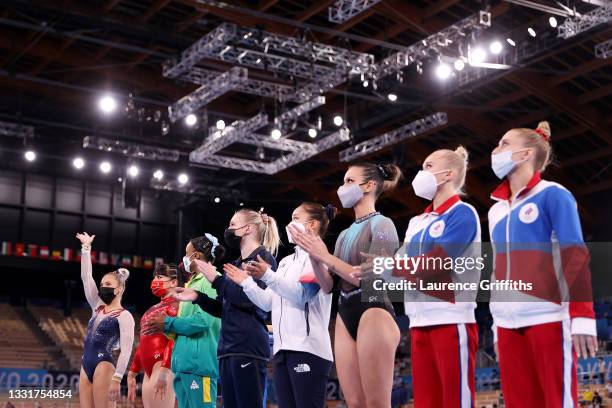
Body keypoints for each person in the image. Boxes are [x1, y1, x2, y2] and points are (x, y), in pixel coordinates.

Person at [488, 121, 597, 407]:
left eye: (504, 144)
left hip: (548, 318)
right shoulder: (496, 211)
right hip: (507, 324)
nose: (495, 150)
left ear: (525, 154)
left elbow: (575, 254)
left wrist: (582, 315)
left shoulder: (554, 195)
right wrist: (498, 323)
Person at [289, 162, 402, 408]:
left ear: (370, 186)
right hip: (345, 311)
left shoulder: (383, 225)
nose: (343, 187)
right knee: (354, 403)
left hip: (373, 309)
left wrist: (324, 255)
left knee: (376, 403)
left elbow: (372, 278)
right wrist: (313, 254)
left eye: (350, 181)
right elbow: (329, 285)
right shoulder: (343, 235)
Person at [391, 146, 481, 408]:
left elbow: (437, 263)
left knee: (456, 401)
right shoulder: (416, 222)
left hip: (451, 319)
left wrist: (389, 266)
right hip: (418, 322)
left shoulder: (463, 213)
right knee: (426, 403)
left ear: (448, 174)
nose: (422, 172)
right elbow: (399, 271)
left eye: (428, 166)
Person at [223, 202, 336, 408]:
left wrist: (268, 275)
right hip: (283, 350)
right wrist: (246, 283)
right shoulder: (285, 262)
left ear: (311, 225)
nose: (290, 224)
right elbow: (268, 304)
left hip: (308, 349)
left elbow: (302, 295)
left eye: (296, 218)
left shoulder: (318, 257)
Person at [174, 208, 280, 408]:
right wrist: (199, 297)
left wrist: (216, 280)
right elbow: (226, 308)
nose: (228, 229)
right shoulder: (237, 263)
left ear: (247, 228)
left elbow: (253, 302)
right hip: (227, 348)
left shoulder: (263, 259)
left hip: (247, 346)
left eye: (233, 224)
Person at [142, 235, 224, 408]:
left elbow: (203, 321)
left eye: (187, 254)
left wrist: (168, 323)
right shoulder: (190, 284)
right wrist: (162, 326)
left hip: (201, 367)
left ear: (197, 256)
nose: (184, 259)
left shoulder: (211, 280)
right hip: (183, 364)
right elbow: (181, 325)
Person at [76, 232, 135, 408]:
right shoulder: (97, 305)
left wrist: (117, 378)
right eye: (102, 284)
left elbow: (126, 351)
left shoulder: (125, 316)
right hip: (85, 365)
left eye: (108, 285)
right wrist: (86, 248)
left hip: (104, 365)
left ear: (119, 289)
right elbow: (86, 277)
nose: (103, 288)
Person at [127, 264, 180, 408]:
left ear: (173, 282)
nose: (155, 281)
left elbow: (175, 339)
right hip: (148, 370)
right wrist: (132, 371)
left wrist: (165, 369)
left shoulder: (177, 306)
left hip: (163, 365)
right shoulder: (152, 309)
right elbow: (144, 343)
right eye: (154, 277)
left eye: (159, 277)